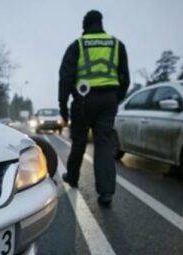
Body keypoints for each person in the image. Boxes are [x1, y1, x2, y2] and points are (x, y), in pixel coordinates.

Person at [59, 10, 130, 206]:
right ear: (100, 24)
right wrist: (116, 98)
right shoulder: (116, 45)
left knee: (79, 142)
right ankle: (106, 192)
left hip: (83, 100)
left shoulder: (78, 45)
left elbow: (65, 78)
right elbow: (125, 76)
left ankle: (72, 177)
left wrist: (63, 106)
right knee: (104, 144)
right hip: (108, 100)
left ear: (85, 26)